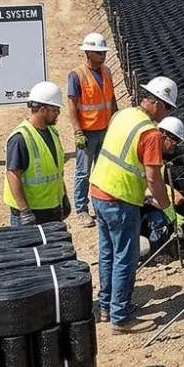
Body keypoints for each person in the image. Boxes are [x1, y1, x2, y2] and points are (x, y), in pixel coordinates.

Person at [89, 76, 177, 334]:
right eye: (168, 107)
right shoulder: (150, 133)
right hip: (120, 199)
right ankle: (121, 317)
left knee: (107, 254)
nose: (167, 113)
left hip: (99, 190)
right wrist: (168, 210)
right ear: (158, 103)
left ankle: (107, 307)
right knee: (125, 258)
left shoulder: (124, 115)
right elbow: (153, 177)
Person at [66, 33, 118, 228]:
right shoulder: (77, 75)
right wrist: (77, 131)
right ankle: (81, 209)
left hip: (105, 129)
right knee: (83, 173)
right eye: (98, 52)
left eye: (103, 52)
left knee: (104, 170)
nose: (102, 56)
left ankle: (101, 206)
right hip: (87, 132)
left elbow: (111, 100)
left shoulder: (107, 72)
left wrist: (116, 120)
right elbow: (72, 105)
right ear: (88, 52)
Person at [4, 81, 71, 226]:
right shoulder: (20, 138)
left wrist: (63, 196)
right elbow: (13, 175)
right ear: (42, 110)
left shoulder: (52, 132)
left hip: (51, 208)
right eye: (55, 110)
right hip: (31, 213)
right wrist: (25, 211)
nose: (58, 113)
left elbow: (56, 170)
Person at [142, 116, 184, 247]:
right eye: (175, 140)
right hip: (134, 204)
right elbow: (147, 193)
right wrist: (171, 213)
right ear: (164, 135)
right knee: (157, 218)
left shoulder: (160, 157)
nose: (176, 145)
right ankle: (156, 249)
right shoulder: (150, 153)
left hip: (146, 198)